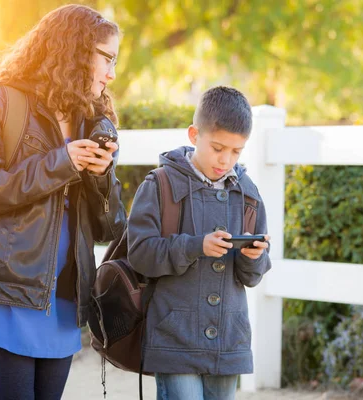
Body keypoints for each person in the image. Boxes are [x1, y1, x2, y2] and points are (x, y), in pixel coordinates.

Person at [0, 4, 125, 399]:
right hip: (4, 293)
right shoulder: (2, 102)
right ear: (76, 50)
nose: (112, 73)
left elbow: (108, 228)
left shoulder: (92, 120)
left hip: (62, 300)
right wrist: (61, 162)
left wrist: (100, 178)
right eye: (107, 58)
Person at [127, 86, 272, 400]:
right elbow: (139, 254)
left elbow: (253, 275)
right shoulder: (160, 184)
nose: (226, 160)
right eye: (218, 148)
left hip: (228, 342)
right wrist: (195, 246)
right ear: (194, 135)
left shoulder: (248, 193)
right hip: (174, 337)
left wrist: (253, 255)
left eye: (236, 152)